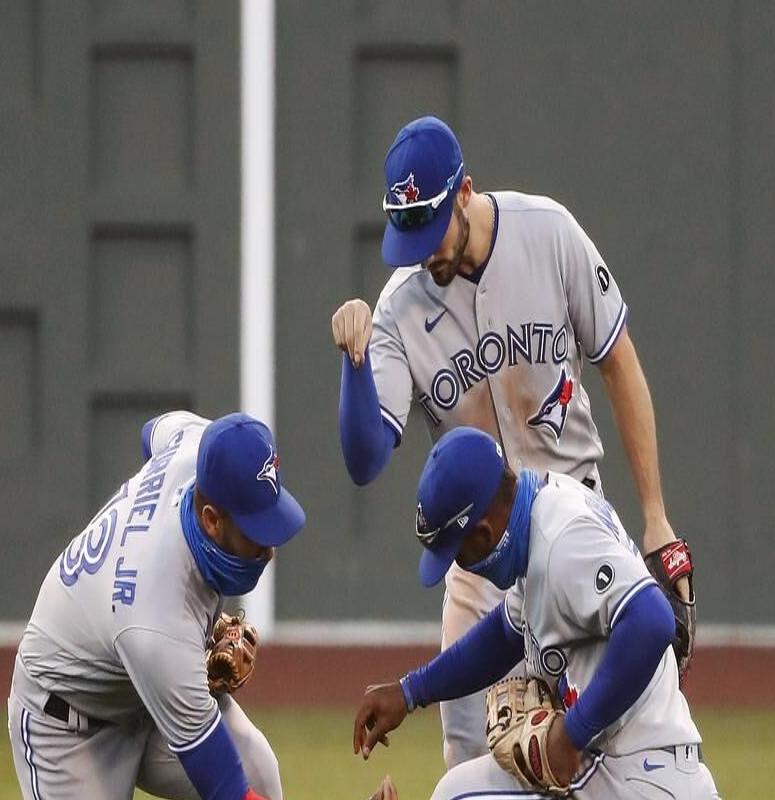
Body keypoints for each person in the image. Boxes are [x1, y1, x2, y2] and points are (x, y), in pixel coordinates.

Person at [331, 115, 693, 767]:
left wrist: (656, 519)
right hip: (477, 560)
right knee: (471, 759)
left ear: (464, 191)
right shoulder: (397, 310)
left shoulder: (547, 232)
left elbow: (619, 362)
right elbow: (364, 460)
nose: (419, 251)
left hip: (574, 538)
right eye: (405, 233)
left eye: (429, 228)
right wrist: (355, 367)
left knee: (598, 747)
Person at [353, 427, 719, 800]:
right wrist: (411, 691)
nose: (459, 565)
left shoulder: (562, 538)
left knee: (458, 796)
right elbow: (504, 635)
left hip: (637, 774)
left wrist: (573, 732)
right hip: (624, 768)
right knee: (460, 787)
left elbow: (652, 620)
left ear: (483, 531)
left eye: (457, 552)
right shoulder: (539, 514)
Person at [7, 410, 306, 800]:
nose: (269, 549)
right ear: (212, 520)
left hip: (139, 688)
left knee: (259, 768)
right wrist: (182, 643)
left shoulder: (194, 445)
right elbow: (226, 790)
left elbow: (153, 430)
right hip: (67, 730)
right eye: (255, 532)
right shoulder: (157, 620)